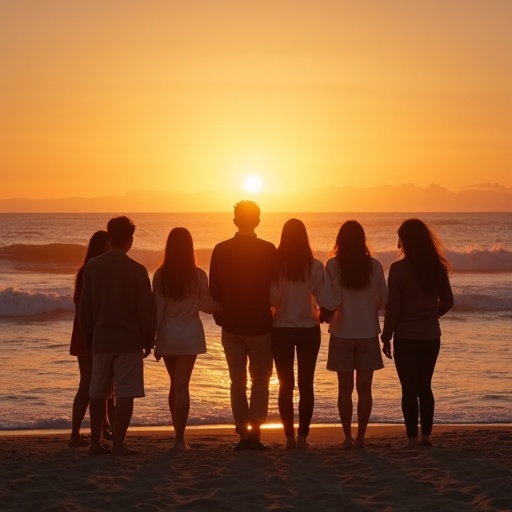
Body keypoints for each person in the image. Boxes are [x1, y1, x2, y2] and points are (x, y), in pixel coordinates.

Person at [80, 216, 156, 456]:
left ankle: (94, 443)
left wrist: (87, 335)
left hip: (101, 339)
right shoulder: (137, 270)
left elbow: (85, 307)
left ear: (109, 236)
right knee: (125, 393)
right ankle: (119, 444)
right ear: (130, 240)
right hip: (129, 340)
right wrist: (148, 338)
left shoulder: (93, 267)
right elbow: (145, 310)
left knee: (98, 391)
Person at [209, 200, 278, 450]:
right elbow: (276, 288)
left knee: (237, 380)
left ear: (235, 220)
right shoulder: (269, 249)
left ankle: (242, 434)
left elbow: (213, 289)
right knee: (260, 379)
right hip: (261, 324)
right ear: (258, 221)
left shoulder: (221, 249)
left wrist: (220, 316)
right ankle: (256, 432)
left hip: (232, 324)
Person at [381, 218, 453, 449]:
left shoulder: (398, 269)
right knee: (425, 386)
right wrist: (431, 317)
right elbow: (449, 301)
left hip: (406, 337)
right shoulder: (437, 267)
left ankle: (412, 439)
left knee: (409, 389)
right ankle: (426, 437)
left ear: (405, 240)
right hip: (431, 336)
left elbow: (394, 307)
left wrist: (386, 335)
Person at [153, 227, 222, 452]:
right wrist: (227, 305)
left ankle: (177, 435)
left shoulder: (161, 275)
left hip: (168, 334)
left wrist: (152, 338)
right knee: (182, 386)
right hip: (190, 334)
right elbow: (208, 306)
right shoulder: (198, 275)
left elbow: (157, 311)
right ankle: (179, 440)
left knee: (175, 385)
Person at [270, 218, 335, 450]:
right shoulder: (314, 266)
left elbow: (273, 299)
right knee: (307, 384)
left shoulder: (277, 266)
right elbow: (326, 300)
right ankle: (303, 438)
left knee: (285, 385)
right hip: (308, 329)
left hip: (281, 330)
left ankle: (288, 438)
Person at [325, 220, 388, 449]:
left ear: (340, 240)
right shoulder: (375, 265)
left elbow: (332, 300)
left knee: (344, 389)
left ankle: (347, 437)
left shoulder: (333, 265)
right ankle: (361, 437)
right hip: (368, 333)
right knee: (364, 389)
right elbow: (384, 300)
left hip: (341, 332)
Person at [68, 230, 112, 448]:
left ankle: (97, 428)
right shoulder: (94, 271)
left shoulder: (84, 270)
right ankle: (77, 434)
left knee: (93, 383)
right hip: (91, 333)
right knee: (92, 383)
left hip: (83, 331)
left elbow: (79, 303)